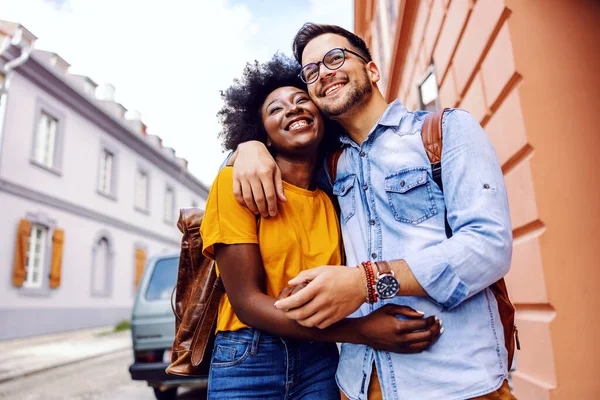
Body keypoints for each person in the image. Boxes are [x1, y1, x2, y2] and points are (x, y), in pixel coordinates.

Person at [230, 24, 516, 400]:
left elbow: (488, 247)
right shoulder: (328, 168)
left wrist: (367, 281)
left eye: (335, 58)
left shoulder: (444, 132)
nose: (324, 73)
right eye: (311, 71)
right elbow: (279, 145)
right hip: (360, 386)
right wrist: (247, 146)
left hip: (456, 383)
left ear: (373, 70)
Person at [201, 53, 442, 400]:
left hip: (320, 357)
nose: (293, 109)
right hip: (249, 356)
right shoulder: (233, 184)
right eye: (275, 110)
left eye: (302, 100)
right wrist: (362, 331)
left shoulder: (335, 193)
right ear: (262, 134)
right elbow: (247, 302)